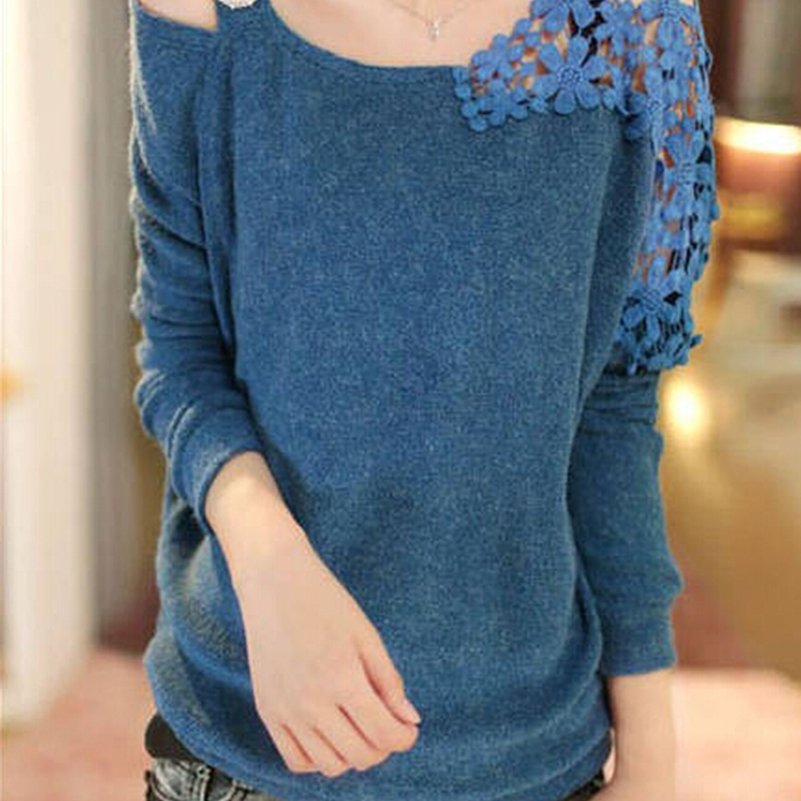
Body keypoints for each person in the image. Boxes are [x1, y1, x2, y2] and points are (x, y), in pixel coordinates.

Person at [127, 0, 720, 800]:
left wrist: (649, 760)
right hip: (249, 735)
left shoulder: (641, 26)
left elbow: (612, 401)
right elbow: (181, 350)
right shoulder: (208, 11)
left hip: (529, 752)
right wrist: (270, 564)